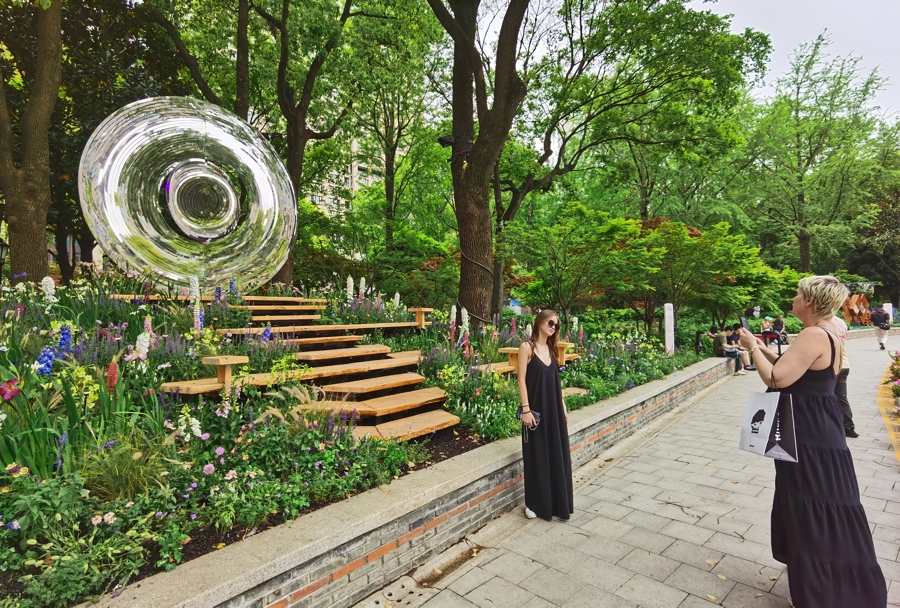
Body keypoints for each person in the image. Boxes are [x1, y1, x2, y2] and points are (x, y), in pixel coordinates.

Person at [738, 276, 886, 608]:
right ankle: (831, 581)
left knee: (808, 503)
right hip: (821, 429)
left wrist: (751, 349)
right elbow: (794, 368)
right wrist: (762, 347)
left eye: (798, 293)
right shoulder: (829, 333)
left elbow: (777, 378)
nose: (792, 298)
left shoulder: (812, 334)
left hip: (807, 433)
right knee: (825, 501)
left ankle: (819, 590)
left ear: (809, 301)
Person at [517, 309, 573, 521]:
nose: (553, 327)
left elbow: (556, 383)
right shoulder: (527, 347)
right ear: (539, 322)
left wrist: (563, 406)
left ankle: (557, 503)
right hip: (535, 412)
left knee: (556, 454)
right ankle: (533, 503)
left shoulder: (551, 348)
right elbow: (521, 379)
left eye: (556, 325)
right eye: (550, 323)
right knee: (536, 455)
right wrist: (526, 409)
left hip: (554, 410)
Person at [831, 315, 858, 438]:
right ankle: (849, 427)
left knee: (825, 397)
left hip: (831, 365)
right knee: (842, 397)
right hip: (844, 364)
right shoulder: (841, 322)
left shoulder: (821, 321)